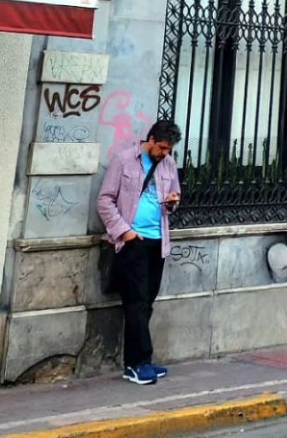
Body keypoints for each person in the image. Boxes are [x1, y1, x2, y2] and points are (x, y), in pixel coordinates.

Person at [97, 119, 183, 385]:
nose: (165, 154)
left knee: (147, 301)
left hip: (159, 240)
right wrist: (125, 231)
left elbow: (174, 194)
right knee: (135, 302)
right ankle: (136, 363)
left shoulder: (168, 164)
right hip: (133, 240)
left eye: (169, 150)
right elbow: (104, 199)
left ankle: (142, 362)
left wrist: (172, 203)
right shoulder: (124, 160)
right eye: (162, 148)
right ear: (151, 140)